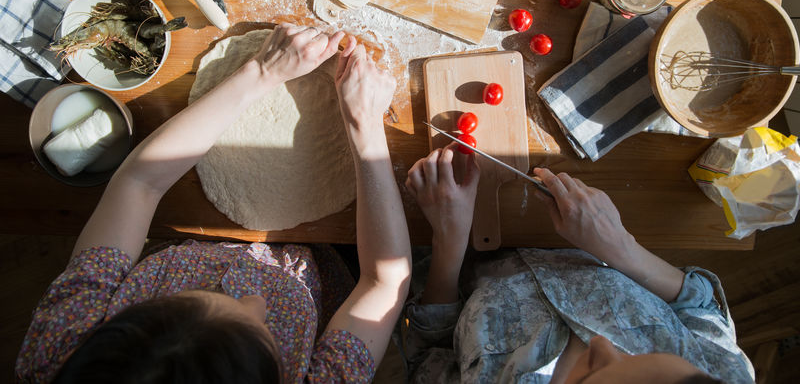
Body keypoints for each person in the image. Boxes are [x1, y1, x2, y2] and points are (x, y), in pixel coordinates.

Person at [15, 24, 412, 383]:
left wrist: (262, 72)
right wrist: (365, 125)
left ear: (124, 315)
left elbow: (138, 183)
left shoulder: (64, 350)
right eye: (262, 330)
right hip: (317, 267)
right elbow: (384, 281)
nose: (256, 301)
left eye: (203, 296)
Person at [403, 145, 756, 384]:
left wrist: (447, 242)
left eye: (590, 375)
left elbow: (426, 355)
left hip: (448, 246)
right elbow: (699, 305)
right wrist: (620, 246)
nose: (600, 344)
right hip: (569, 233)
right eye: (635, 355)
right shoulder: (730, 376)